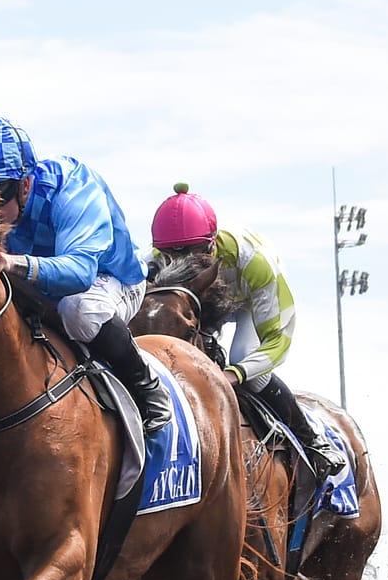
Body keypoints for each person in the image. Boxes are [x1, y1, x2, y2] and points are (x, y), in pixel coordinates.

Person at [0, 113, 169, 435]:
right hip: (39, 288)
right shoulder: (4, 201)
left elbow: (79, 273)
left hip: (109, 279)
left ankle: (147, 388)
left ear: (24, 184)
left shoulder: (73, 187)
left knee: (80, 309)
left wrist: (14, 263)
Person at [148, 183, 347, 476]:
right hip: (198, 307)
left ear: (212, 245)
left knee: (244, 358)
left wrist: (235, 373)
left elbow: (277, 340)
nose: (183, 263)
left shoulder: (254, 261)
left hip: (248, 302)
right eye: (172, 257)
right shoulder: (151, 263)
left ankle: (312, 441)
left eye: (192, 253)